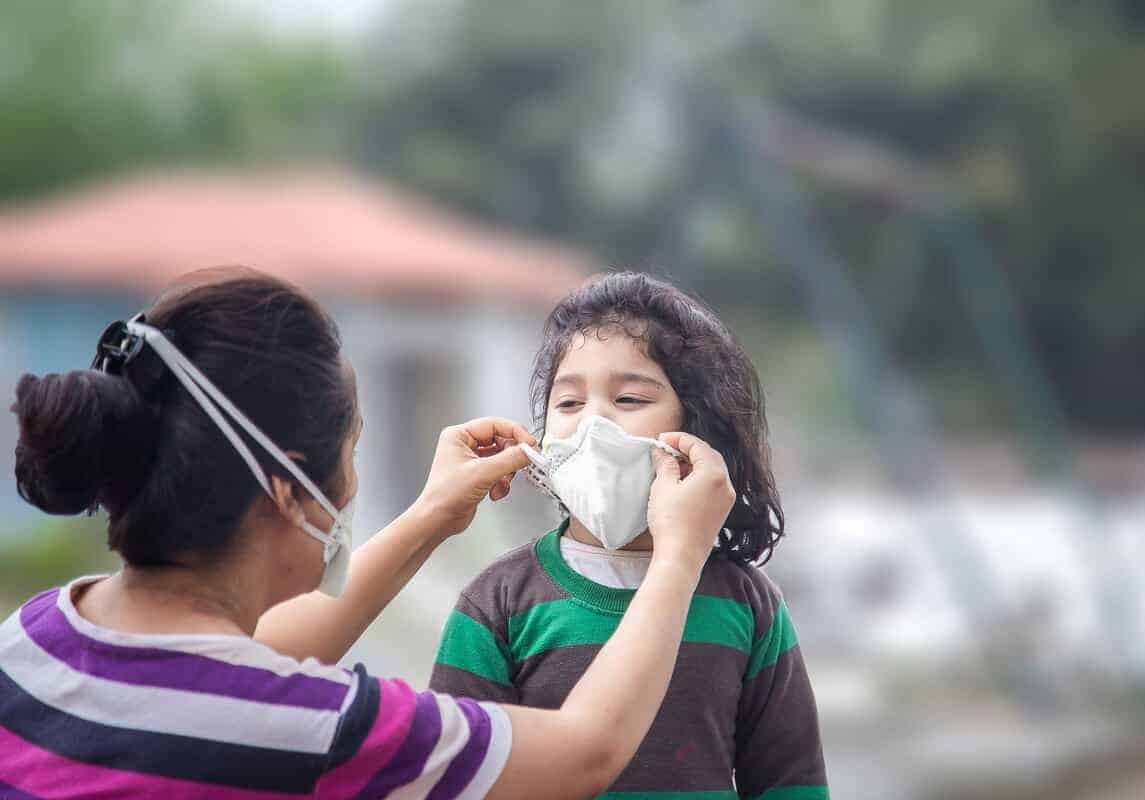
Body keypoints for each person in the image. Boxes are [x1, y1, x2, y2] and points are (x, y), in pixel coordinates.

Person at [0, 267, 736, 799]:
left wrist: (431, 517)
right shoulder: (315, 728)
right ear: (289, 492)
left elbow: (239, 667)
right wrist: (680, 553)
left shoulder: (32, 641)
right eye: (351, 451)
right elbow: (583, 753)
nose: (350, 487)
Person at [429, 272, 828, 799]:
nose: (593, 421)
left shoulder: (748, 605)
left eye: (631, 399)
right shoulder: (497, 603)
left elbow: (790, 784)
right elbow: (451, 780)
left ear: (699, 432)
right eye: (569, 404)